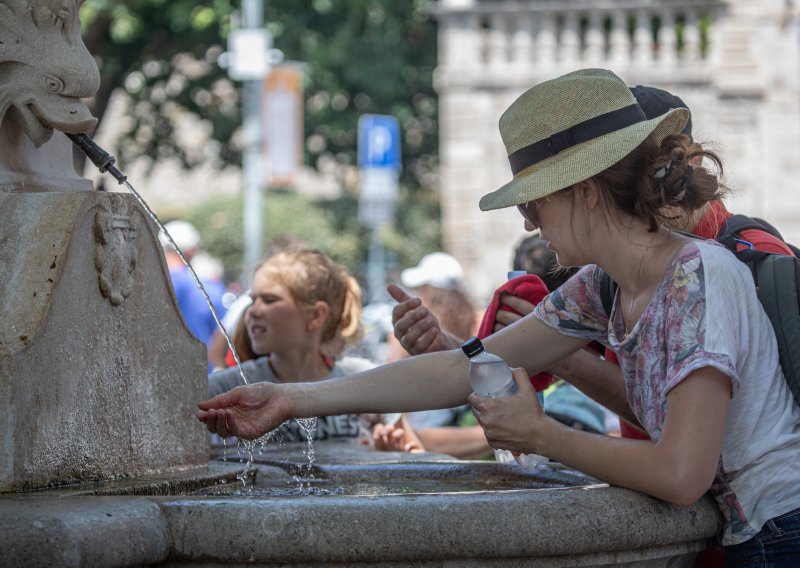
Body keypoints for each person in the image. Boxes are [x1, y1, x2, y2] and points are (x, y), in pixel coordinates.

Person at [198, 69, 800, 564]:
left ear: (584, 190)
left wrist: (542, 435)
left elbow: (680, 474)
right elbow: (468, 366)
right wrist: (289, 399)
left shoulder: (698, 277)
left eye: (534, 199)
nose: (527, 222)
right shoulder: (602, 285)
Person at [208, 249, 407, 447]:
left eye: (270, 300)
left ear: (315, 316)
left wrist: (390, 450)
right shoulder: (228, 390)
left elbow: (414, 454)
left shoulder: (365, 380)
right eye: (253, 300)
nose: (253, 311)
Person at [160, 220, 227, 358]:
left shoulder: (148, 285)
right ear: (192, 250)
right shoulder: (210, 288)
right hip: (204, 373)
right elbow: (225, 335)